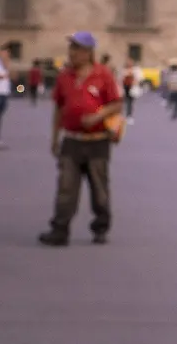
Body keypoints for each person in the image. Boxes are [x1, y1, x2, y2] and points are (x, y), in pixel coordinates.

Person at [38, 32, 121, 246]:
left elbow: (117, 104)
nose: (72, 52)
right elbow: (59, 108)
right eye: (71, 48)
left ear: (88, 53)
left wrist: (97, 116)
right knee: (65, 187)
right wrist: (54, 138)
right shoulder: (64, 76)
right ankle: (60, 230)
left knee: (99, 188)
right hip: (72, 140)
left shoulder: (103, 75)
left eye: (77, 48)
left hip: (97, 141)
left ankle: (100, 227)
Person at [0, 44, 11, 150]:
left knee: (0, 116)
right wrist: (3, 76)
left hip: (4, 93)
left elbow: (10, 76)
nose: (6, 54)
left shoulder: (6, 64)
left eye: (7, 53)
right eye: (4, 52)